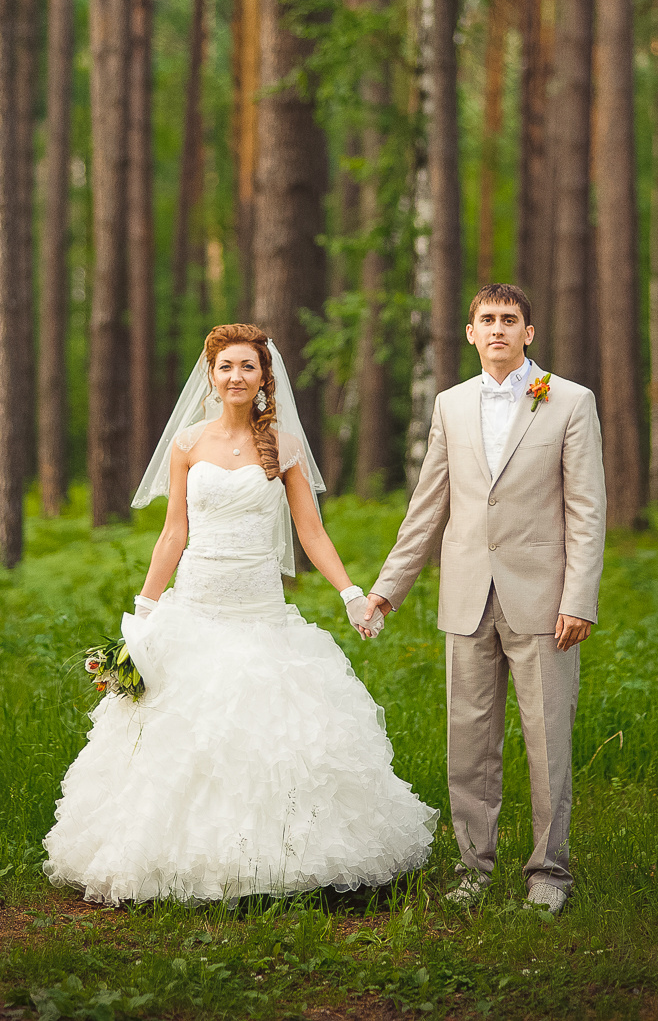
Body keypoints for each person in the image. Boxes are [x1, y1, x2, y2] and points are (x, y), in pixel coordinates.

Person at [43, 322, 437, 905]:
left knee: (274, 735)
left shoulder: (283, 445)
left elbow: (311, 532)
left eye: (247, 367)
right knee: (183, 733)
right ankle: (175, 860)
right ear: (211, 374)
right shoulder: (187, 444)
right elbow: (173, 532)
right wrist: (145, 612)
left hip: (259, 612)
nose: (236, 377)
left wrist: (352, 593)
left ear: (263, 377)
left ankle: (283, 864)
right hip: (196, 606)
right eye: (226, 366)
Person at [362, 284, 606, 913]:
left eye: (511, 319)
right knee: (469, 740)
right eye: (487, 319)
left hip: (545, 602)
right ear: (470, 333)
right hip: (468, 596)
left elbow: (586, 510)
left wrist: (578, 597)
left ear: (530, 332)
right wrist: (388, 590)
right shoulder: (449, 405)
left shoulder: (571, 402)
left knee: (547, 738)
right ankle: (475, 867)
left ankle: (549, 873)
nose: (498, 328)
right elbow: (427, 509)